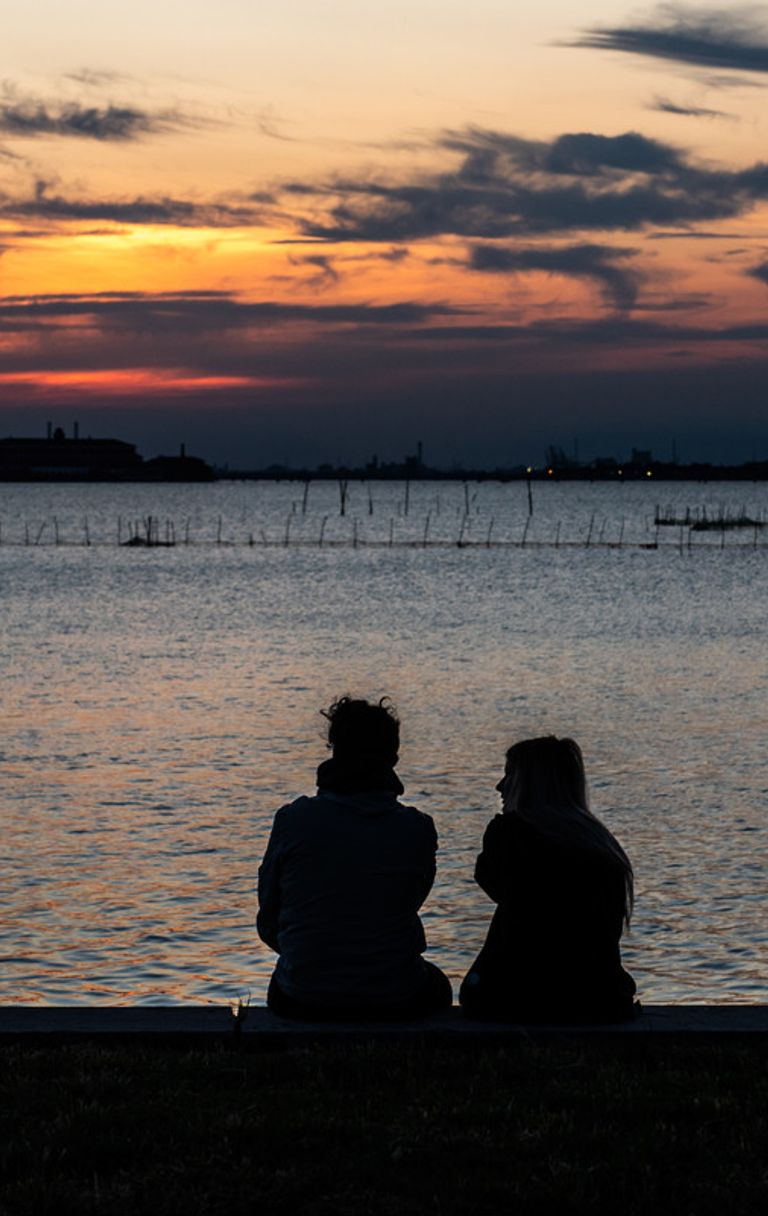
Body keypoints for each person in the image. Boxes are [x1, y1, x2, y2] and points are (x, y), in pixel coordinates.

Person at [257, 696, 452, 1020]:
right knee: (438, 985)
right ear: (393, 757)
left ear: (334, 749)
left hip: (302, 995)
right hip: (396, 993)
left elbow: (269, 922)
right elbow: (407, 903)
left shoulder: (293, 820)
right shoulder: (417, 828)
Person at [460, 736, 638, 1023]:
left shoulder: (510, 834)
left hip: (517, 996)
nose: (500, 786)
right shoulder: (601, 844)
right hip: (600, 997)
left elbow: (492, 882)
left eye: (509, 776)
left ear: (528, 785)